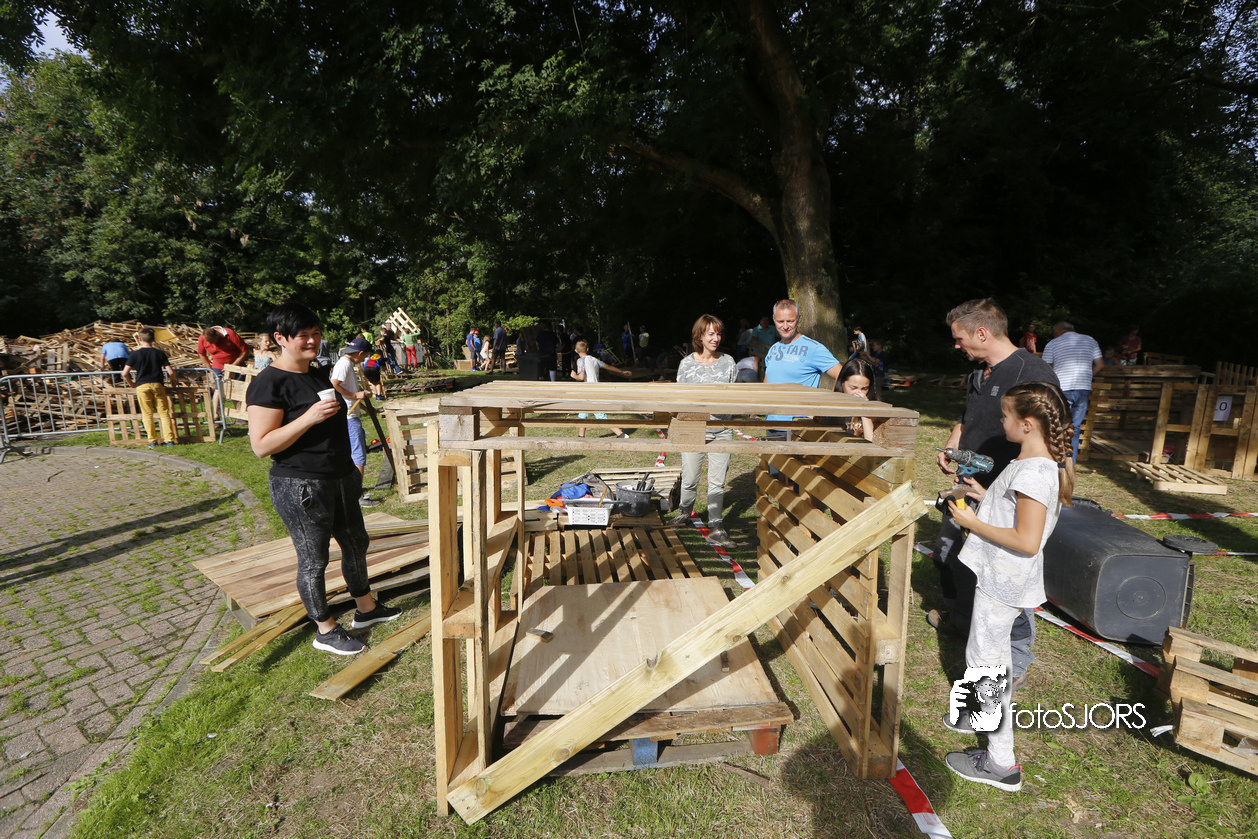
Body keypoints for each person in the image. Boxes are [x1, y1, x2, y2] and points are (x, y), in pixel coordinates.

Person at [246, 302, 401, 655]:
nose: (313, 341)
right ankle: (325, 629)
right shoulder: (268, 384)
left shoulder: (317, 372)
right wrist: (309, 418)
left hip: (340, 477)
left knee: (356, 542)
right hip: (300, 484)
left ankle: (366, 608)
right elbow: (261, 445)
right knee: (314, 558)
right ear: (280, 338)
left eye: (316, 333)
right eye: (303, 335)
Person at [942, 381, 1073, 792]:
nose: (1001, 422)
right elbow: (1015, 513)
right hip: (1003, 576)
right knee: (991, 653)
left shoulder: (1034, 472)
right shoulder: (1032, 463)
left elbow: (1027, 540)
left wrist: (971, 522)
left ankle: (1000, 763)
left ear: (1027, 424)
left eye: (1005, 416)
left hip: (1005, 579)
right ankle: (977, 714)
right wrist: (985, 496)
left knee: (986, 661)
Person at [930, 298, 1059, 692]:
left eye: (960, 338)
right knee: (952, 556)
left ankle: (1015, 657)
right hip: (975, 485)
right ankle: (964, 621)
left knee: (1005, 578)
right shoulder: (979, 373)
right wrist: (955, 439)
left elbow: (1051, 428)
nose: (956, 345)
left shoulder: (1031, 372)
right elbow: (969, 415)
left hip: (1008, 495)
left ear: (982, 333)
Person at [667, 315, 738, 547]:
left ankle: (716, 526)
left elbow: (733, 395)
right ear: (699, 336)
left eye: (719, 334)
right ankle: (685, 512)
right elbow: (679, 398)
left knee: (717, 482)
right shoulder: (686, 364)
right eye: (711, 334)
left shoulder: (728, 362)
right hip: (692, 428)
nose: (716, 338)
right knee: (690, 479)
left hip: (721, 429)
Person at [763, 299, 844, 427]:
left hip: (800, 427)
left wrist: (824, 407)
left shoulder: (813, 348)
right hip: (772, 424)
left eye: (790, 321)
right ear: (774, 319)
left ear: (799, 319)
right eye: (780, 321)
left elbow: (843, 374)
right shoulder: (773, 349)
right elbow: (767, 383)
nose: (785, 326)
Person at [1041, 321, 1104, 461]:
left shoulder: (1053, 343)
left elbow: (1045, 368)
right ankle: (1071, 462)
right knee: (1074, 427)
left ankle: (1055, 459)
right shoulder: (1090, 340)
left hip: (1061, 388)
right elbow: (1100, 365)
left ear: (1058, 331)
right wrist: (1087, 377)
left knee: (1057, 424)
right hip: (1083, 388)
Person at [121, 328, 177, 448]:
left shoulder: (134, 354)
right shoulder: (160, 353)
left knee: (147, 414)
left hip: (142, 385)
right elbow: (171, 372)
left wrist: (131, 383)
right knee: (163, 413)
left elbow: (124, 373)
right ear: (153, 339)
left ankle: (152, 441)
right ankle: (169, 440)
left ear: (140, 339)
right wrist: (173, 381)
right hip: (158, 384)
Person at [330, 336, 373, 495]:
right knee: (358, 454)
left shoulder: (346, 363)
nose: (364, 360)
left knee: (355, 452)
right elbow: (334, 385)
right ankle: (356, 492)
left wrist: (366, 408)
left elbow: (350, 392)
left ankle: (351, 489)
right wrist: (355, 395)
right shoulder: (345, 364)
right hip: (349, 417)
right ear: (360, 353)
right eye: (365, 356)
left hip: (351, 415)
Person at [571, 339, 632, 438]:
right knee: (584, 413)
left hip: (589, 391)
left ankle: (621, 434)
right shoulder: (594, 359)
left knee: (599, 415)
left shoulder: (580, 361)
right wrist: (621, 371)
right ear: (587, 349)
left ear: (576, 351)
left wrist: (574, 376)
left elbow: (581, 377)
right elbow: (607, 366)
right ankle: (581, 436)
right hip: (596, 389)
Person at [197, 326, 249, 422]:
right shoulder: (202, 338)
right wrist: (209, 369)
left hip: (235, 366)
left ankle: (239, 417)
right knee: (218, 389)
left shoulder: (230, 335)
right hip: (218, 367)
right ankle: (216, 416)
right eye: (210, 343)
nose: (213, 344)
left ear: (217, 334)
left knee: (235, 390)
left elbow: (245, 351)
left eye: (213, 341)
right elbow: (201, 354)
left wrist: (232, 366)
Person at [834, 356, 877, 442]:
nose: (858, 393)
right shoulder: (832, 406)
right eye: (853, 388)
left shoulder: (875, 410)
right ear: (842, 383)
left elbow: (870, 441)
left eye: (864, 389)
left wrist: (865, 413)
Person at [749, 315, 779, 379]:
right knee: (760, 367)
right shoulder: (756, 329)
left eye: (767, 320)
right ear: (760, 321)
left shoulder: (773, 328)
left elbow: (780, 336)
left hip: (771, 352)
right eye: (763, 320)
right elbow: (753, 337)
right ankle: (760, 378)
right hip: (760, 352)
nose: (765, 322)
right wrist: (754, 341)